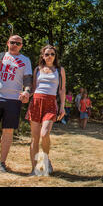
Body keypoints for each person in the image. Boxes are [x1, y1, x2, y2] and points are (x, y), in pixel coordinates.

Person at [0, 35, 32, 173]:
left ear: (21, 45)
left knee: (8, 131)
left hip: (14, 99)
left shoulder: (25, 60)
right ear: (7, 43)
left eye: (18, 43)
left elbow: (28, 79)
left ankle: (2, 163)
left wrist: (27, 92)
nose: (15, 45)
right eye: (12, 42)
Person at [26, 45, 66, 176]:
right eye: (47, 54)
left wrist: (62, 106)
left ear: (55, 56)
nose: (50, 57)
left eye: (52, 54)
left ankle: (46, 159)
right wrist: (25, 94)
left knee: (44, 134)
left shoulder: (60, 70)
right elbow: (33, 87)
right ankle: (34, 169)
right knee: (35, 137)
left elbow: (61, 89)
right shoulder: (37, 69)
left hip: (50, 103)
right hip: (36, 102)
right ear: (42, 56)